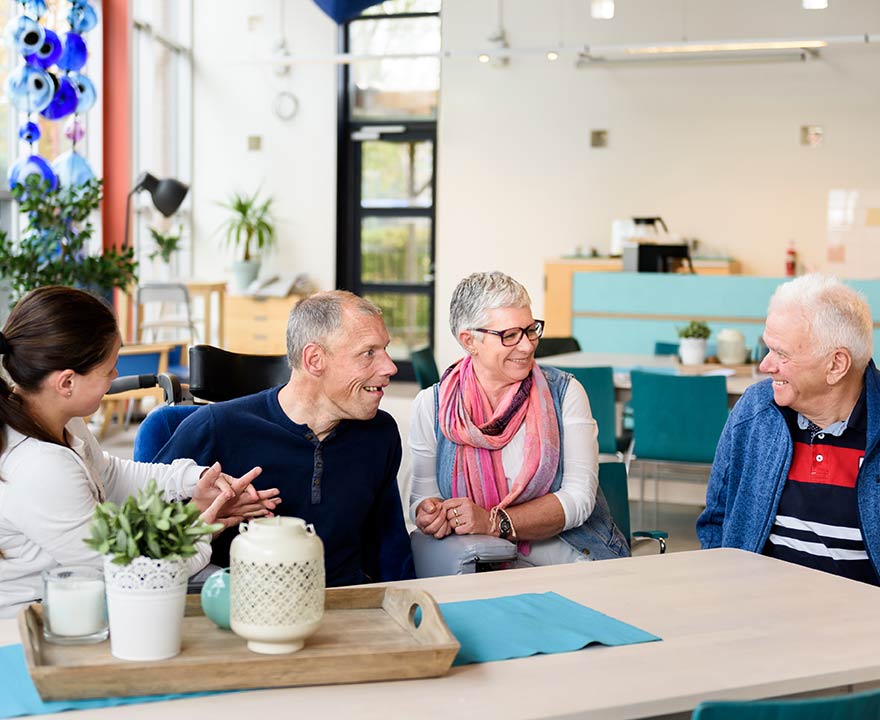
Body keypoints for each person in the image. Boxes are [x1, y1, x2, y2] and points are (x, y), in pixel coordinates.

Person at [0, 286, 278, 618]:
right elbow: (135, 570)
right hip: (39, 622)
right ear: (67, 382)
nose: (115, 376)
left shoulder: (56, 419)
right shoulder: (39, 466)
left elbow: (112, 475)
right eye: (109, 369)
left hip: (86, 590)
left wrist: (196, 478)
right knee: (247, 598)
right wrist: (198, 526)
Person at [155, 290, 415, 585]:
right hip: (244, 609)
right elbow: (141, 541)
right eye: (369, 353)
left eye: (385, 350)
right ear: (315, 359)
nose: (390, 367)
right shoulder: (213, 428)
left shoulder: (379, 434)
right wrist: (199, 514)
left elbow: (389, 543)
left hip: (348, 608)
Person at [410, 271, 629, 566]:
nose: (527, 346)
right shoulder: (432, 405)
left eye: (530, 330)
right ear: (469, 341)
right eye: (509, 335)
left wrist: (493, 521)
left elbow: (579, 500)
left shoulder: (564, 393)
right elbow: (423, 497)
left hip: (570, 556)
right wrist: (431, 512)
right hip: (479, 562)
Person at [697, 274, 880, 584]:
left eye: (781, 354)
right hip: (763, 614)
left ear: (836, 365)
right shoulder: (755, 411)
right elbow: (716, 520)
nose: (765, 366)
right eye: (768, 349)